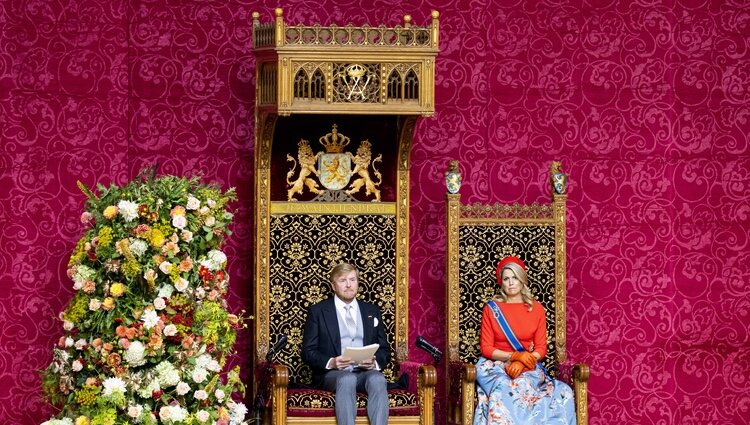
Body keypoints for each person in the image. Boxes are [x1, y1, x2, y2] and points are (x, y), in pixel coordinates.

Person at [473, 256, 576, 425]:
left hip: (527, 364)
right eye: (506, 278)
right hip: (494, 365)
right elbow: (486, 348)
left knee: (560, 391)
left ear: (522, 279)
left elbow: (541, 348)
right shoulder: (492, 308)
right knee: (506, 388)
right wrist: (514, 356)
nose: (511, 283)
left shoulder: (536, 308)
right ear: (501, 282)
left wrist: (522, 362)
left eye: (515, 277)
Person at [302, 263, 390, 425]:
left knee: (377, 378)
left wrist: (374, 362)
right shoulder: (318, 311)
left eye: (353, 279)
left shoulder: (372, 311)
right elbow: (308, 352)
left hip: (364, 373)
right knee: (347, 378)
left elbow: (385, 349)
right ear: (333, 286)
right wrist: (332, 362)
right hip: (333, 375)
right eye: (343, 280)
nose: (349, 285)